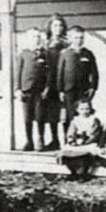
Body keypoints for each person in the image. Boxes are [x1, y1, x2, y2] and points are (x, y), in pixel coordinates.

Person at [57, 25, 99, 131]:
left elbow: (94, 73)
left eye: (81, 37)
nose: (79, 40)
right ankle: (69, 139)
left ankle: (83, 138)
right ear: (70, 38)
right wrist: (60, 90)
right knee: (69, 115)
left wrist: (93, 87)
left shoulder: (88, 54)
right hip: (69, 90)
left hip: (83, 90)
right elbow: (60, 73)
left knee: (83, 114)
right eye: (76, 37)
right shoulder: (65, 54)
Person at [15, 27, 49, 151]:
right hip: (26, 91)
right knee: (27, 118)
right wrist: (17, 89)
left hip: (40, 91)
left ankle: (41, 140)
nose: (37, 39)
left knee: (40, 117)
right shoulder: (24, 54)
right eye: (34, 36)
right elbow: (17, 72)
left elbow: (48, 72)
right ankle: (29, 141)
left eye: (38, 36)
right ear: (28, 39)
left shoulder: (44, 54)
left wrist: (47, 88)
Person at [57, 99, 102, 181]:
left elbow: (94, 134)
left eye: (87, 109)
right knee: (67, 152)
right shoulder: (75, 120)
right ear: (77, 110)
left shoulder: (93, 120)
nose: (84, 111)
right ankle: (73, 172)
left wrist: (85, 142)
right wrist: (72, 141)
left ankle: (83, 173)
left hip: (88, 142)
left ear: (91, 109)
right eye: (82, 109)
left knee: (86, 154)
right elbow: (71, 132)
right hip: (77, 141)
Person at [43, 14, 69, 150]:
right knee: (52, 113)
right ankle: (55, 140)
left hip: (65, 79)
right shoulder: (46, 44)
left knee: (67, 112)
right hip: (51, 81)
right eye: (55, 25)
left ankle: (68, 140)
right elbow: (46, 65)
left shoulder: (68, 43)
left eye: (60, 25)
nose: (58, 28)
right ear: (50, 28)